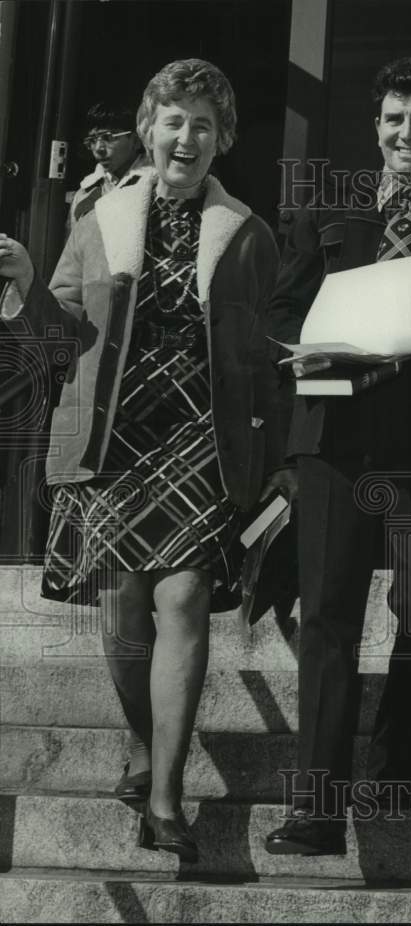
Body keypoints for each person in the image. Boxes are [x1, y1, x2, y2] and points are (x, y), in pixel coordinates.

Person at [0, 58, 284, 863]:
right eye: (172, 119)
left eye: (202, 123)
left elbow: (269, 357)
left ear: (221, 140)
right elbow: (55, 344)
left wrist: (277, 464)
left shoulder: (250, 234)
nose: (185, 136)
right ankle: (139, 739)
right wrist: (22, 288)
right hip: (112, 440)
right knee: (125, 610)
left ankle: (165, 795)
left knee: (185, 597)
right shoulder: (97, 221)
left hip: (202, 438)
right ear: (148, 130)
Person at [263, 56, 411, 855]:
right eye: (396, 119)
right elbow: (280, 311)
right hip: (336, 438)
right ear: (377, 128)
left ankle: (398, 772)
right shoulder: (328, 214)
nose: (408, 134)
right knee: (328, 617)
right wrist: (296, 352)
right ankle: (317, 809)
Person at [68, 100, 148, 229]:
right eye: (92, 140)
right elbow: (74, 246)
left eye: (108, 137)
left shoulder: (156, 187)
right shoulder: (84, 194)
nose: (99, 148)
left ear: (135, 141)